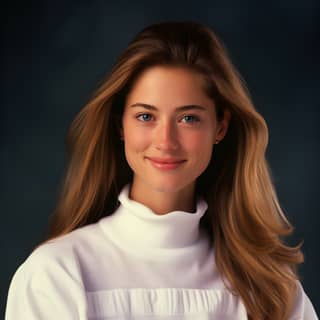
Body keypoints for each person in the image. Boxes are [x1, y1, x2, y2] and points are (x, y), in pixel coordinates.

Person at [5, 21, 318, 320]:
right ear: (120, 125)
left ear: (220, 126)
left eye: (188, 118)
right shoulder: (58, 274)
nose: (166, 141)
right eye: (145, 117)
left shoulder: (269, 288)